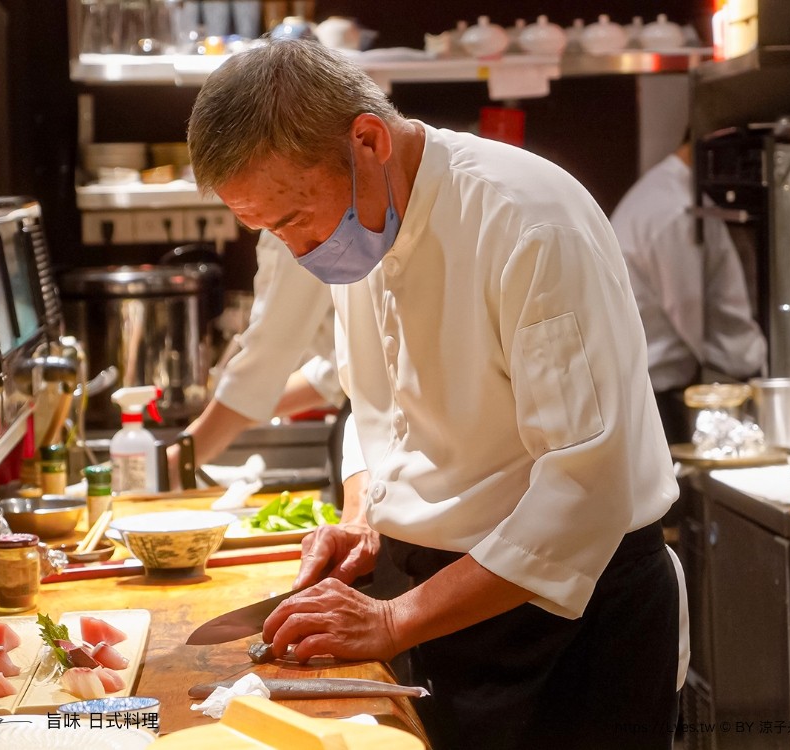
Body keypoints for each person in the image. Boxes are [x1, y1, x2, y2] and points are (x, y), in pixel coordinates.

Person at [187, 40, 688, 749]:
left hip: (565, 619)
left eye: (296, 219)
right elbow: (374, 405)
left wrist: (394, 620)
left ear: (367, 140)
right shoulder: (362, 218)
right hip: (435, 602)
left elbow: (585, 489)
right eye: (272, 231)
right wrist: (365, 513)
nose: (299, 251)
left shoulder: (526, 220)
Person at [611, 140, 767, 444]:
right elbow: (691, 315)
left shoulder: (660, 190)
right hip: (653, 399)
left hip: (645, 392)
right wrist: (756, 366)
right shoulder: (674, 208)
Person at [165, 229, 345, 489]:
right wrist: (231, 415)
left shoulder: (292, 221)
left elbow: (268, 357)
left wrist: (180, 457)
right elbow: (337, 372)